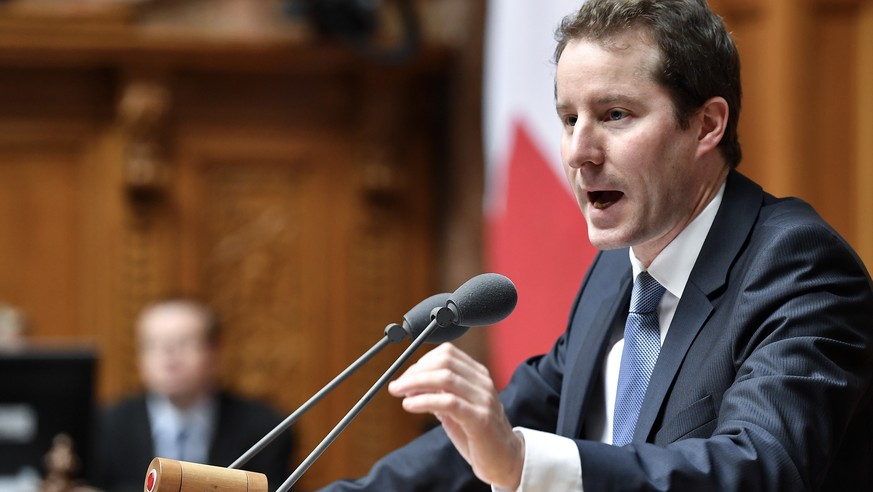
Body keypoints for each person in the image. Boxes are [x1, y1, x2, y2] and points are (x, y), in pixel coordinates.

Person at [318, 0, 873, 490]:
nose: (579, 152)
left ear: (707, 125)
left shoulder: (799, 267)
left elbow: (760, 469)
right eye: (568, 118)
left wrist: (520, 462)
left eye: (615, 115)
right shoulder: (616, 272)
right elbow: (503, 425)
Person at [91, 298, 294, 492]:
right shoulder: (104, 425)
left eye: (184, 343)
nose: (168, 356)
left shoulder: (266, 428)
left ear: (215, 353)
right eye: (153, 344)